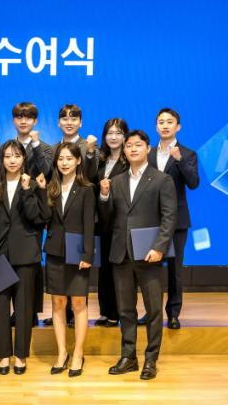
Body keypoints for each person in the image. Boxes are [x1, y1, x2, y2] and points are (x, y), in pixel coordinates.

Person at [99, 130, 177, 380]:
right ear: (124, 150)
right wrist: (104, 196)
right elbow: (107, 219)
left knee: (153, 310)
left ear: (148, 149)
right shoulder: (116, 180)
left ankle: (151, 359)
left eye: (138, 145)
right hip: (121, 253)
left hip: (149, 254)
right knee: (125, 309)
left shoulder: (162, 179)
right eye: (129, 145)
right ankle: (128, 356)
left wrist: (160, 247)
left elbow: (169, 217)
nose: (133, 149)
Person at [0, 140, 50, 376]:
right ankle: (3, 355)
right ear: (2, 160)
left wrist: (27, 191)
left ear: (24, 158)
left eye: (16, 156)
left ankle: (20, 355)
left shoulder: (33, 184)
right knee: (0, 306)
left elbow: (39, 218)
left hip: (26, 254)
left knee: (24, 308)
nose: (12, 160)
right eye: (7, 156)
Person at [143, 108, 199, 329]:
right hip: (150, 219)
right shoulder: (147, 153)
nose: (165, 126)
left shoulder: (187, 154)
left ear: (178, 127)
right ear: (156, 126)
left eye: (169, 122)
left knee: (175, 270)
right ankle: (151, 312)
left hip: (177, 220)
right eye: (161, 122)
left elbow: (193, 183)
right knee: (149, 269)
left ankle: (173, 313)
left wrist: (180, 160)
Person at [44, 142, 95, 377]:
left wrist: (87, 254)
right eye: (61, 159)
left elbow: (89, 224)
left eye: (69, 158)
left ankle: (78, 353)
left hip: (77, 253)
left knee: (78, 303)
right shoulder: (51, 188)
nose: (64, 163)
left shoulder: (86, 189)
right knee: (57, 303)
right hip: (55, 252)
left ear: (78, 160)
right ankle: (62, 352)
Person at [12, 102, 53, 324]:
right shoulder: (8, 146)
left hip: (35, 209)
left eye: (28, 117)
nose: (23, 121)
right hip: (12, 209)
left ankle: (32, 310)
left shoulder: (44, 147)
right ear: (13, 120)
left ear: (35, 121)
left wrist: (35, 144)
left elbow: (46, 171)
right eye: (19, 117)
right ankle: (17, 309)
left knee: (32, 262)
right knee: (12, 261)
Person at [94, 118, 130, 328]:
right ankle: (106, 311)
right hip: (102, 223)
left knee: (119, 270)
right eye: (110, 133)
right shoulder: (100, 159)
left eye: (118, 133)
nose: (113, 137)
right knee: (104, 270)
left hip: (120, 223)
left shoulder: (129, 161)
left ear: (125, 136)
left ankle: (117, 313)